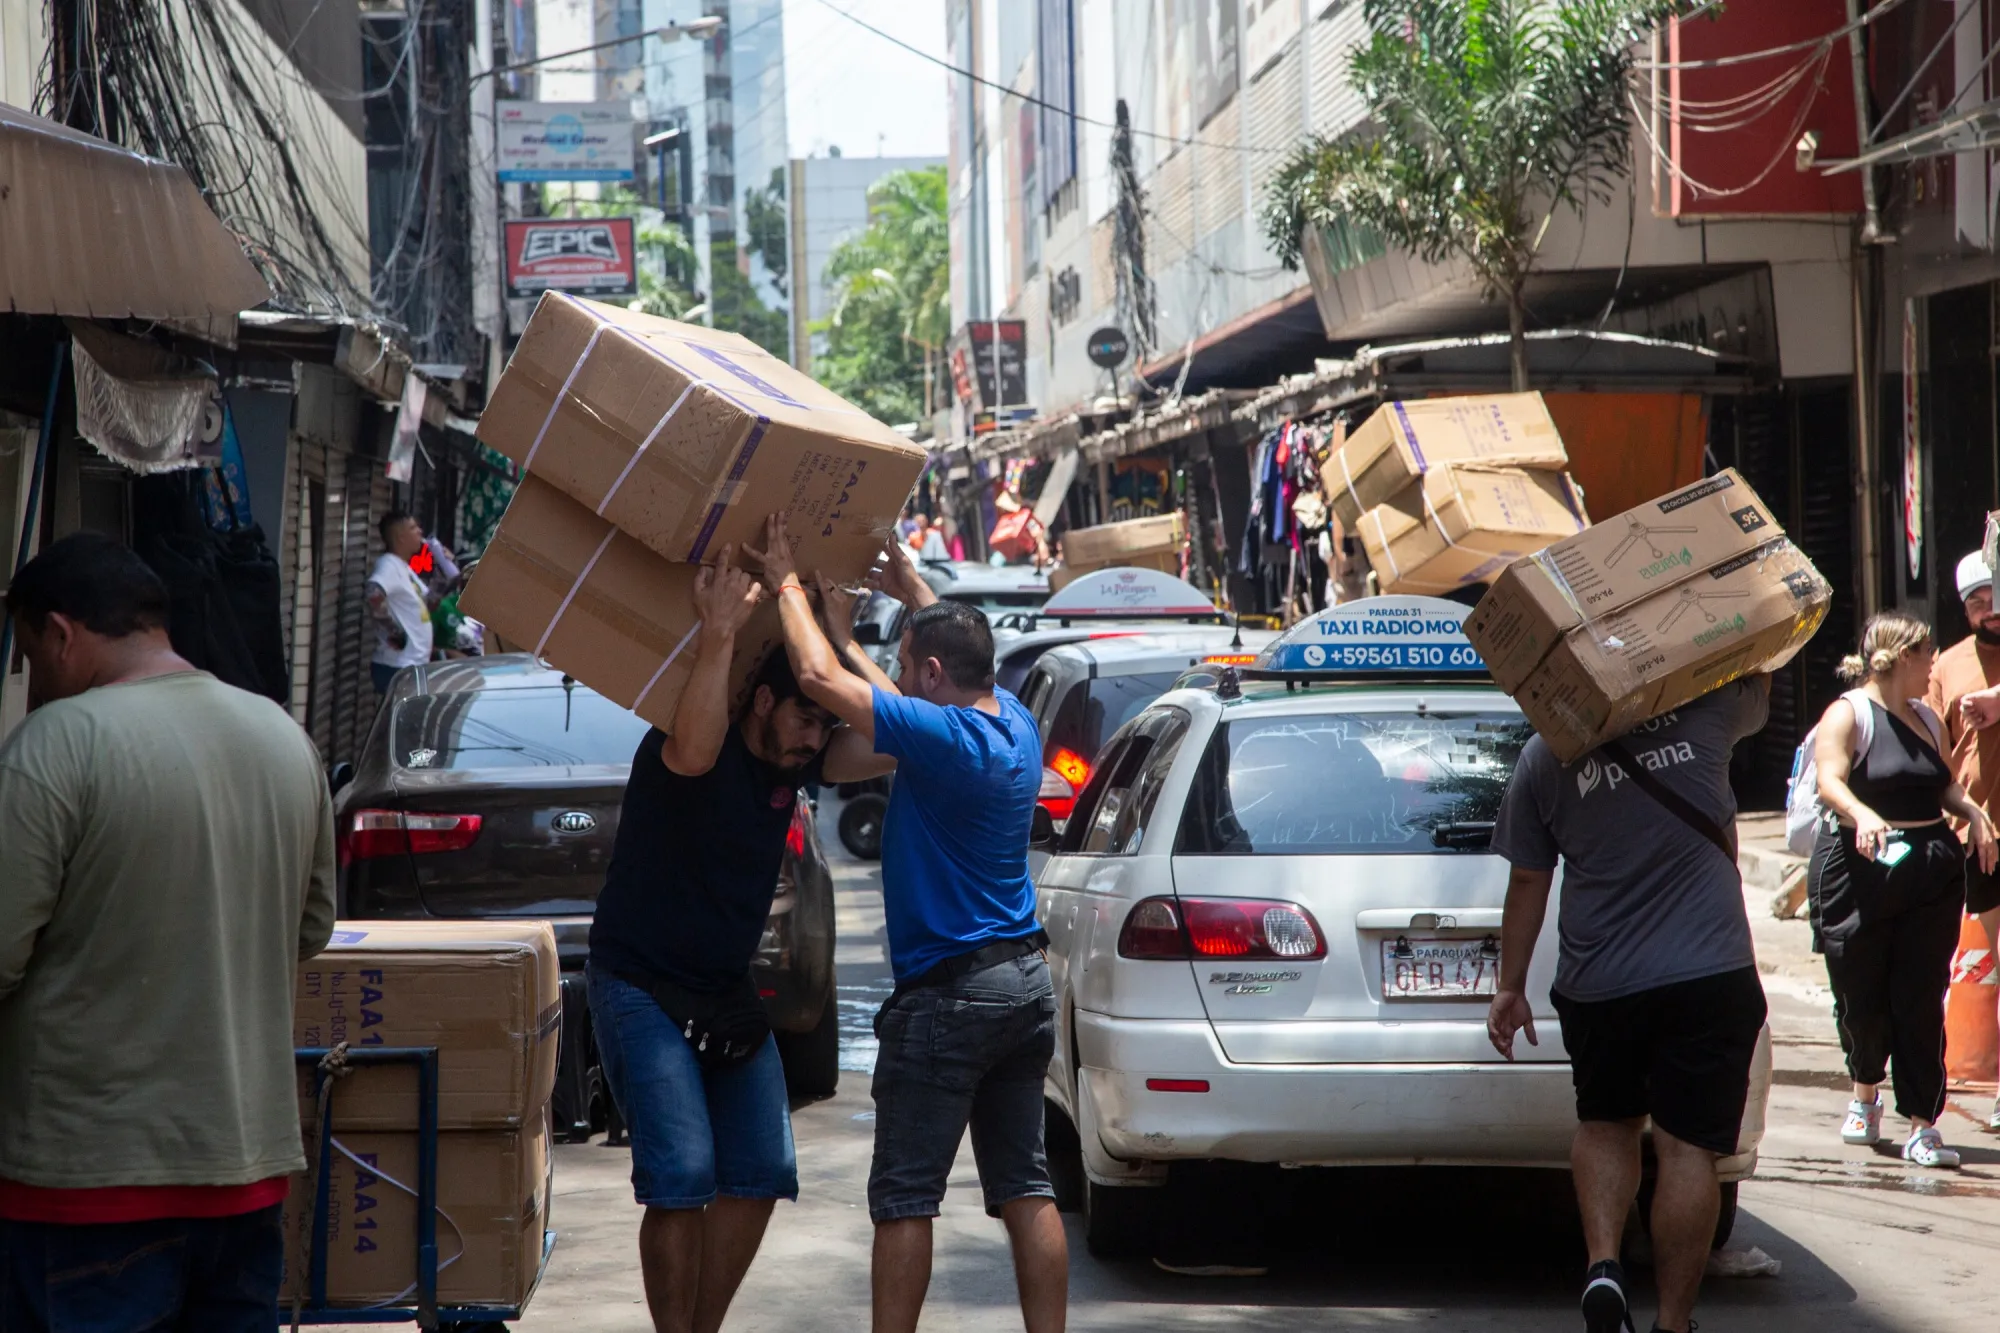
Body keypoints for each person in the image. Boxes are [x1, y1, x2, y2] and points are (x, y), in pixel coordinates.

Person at [0, 533, 337, 1329]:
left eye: (29, 658)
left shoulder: (56, 746)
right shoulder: (283, 738)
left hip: (88, 1183)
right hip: (244, 1167)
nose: (34, 684)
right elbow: (313, 924)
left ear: (60, 633)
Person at [752, 513, 1066, 1333]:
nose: (894, 674)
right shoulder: (1015, 723)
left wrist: (786, 578)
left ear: (931, 673)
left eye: (904, 666)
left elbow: (820, 678)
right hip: (1025, 984)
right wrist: (912, 590)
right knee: (1025, 1185)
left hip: (951, 996)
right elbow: (945, 654)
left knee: (904, 1197)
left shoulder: (947, 737)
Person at [585, 544, 891, 1333]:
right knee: (683, 1171)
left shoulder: (801, 763)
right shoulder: (696, 738)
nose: (814, 739)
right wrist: (719, 627)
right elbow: (693, 747)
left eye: (824, 726)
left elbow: (901, 737)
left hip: (720, 989)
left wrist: (841, 641)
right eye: (803, 716)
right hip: (641, 984)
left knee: (762, 1168)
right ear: (760, 701)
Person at [1487, 676, 1773, 1333]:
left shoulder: (1544, 754)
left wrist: (1510, 984)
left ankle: (1604, 1265)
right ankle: (1672, 1322)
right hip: (1709, 972)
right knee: (1687, 1149)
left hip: (1602, 980)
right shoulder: (1706, 709)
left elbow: (1529, 877)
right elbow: (1762, 665)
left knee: (1606, 1122)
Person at [1810, 611, 1995, 1168]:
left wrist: (1973, 813)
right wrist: (1863, 814)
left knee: (1920, 999)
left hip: (1930, 869)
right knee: (1862, 997)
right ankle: (1866, 1087)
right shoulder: (1848, 715)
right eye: (1927, 654)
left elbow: (1939, 783)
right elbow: (1829, 779)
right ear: (1901, 659)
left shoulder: (1925, 718)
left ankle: (1922, 1124)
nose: (1935, 664)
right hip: (1859, 870)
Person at [1927, 551, 2000, 1129]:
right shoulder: (1947, 666)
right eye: (1977, 603)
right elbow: (1930, 753)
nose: (1989, 611)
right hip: (1977, 839)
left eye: (1995, 597)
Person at [367, 509, 436, 693]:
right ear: (401, 537)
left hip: (412, 664)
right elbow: (374, 592)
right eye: (413, 528)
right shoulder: (389, 564)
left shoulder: (404, 567)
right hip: (398, 666)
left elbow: (431, 601)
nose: (420, 532)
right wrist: (393, 633)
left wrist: (445, 564)